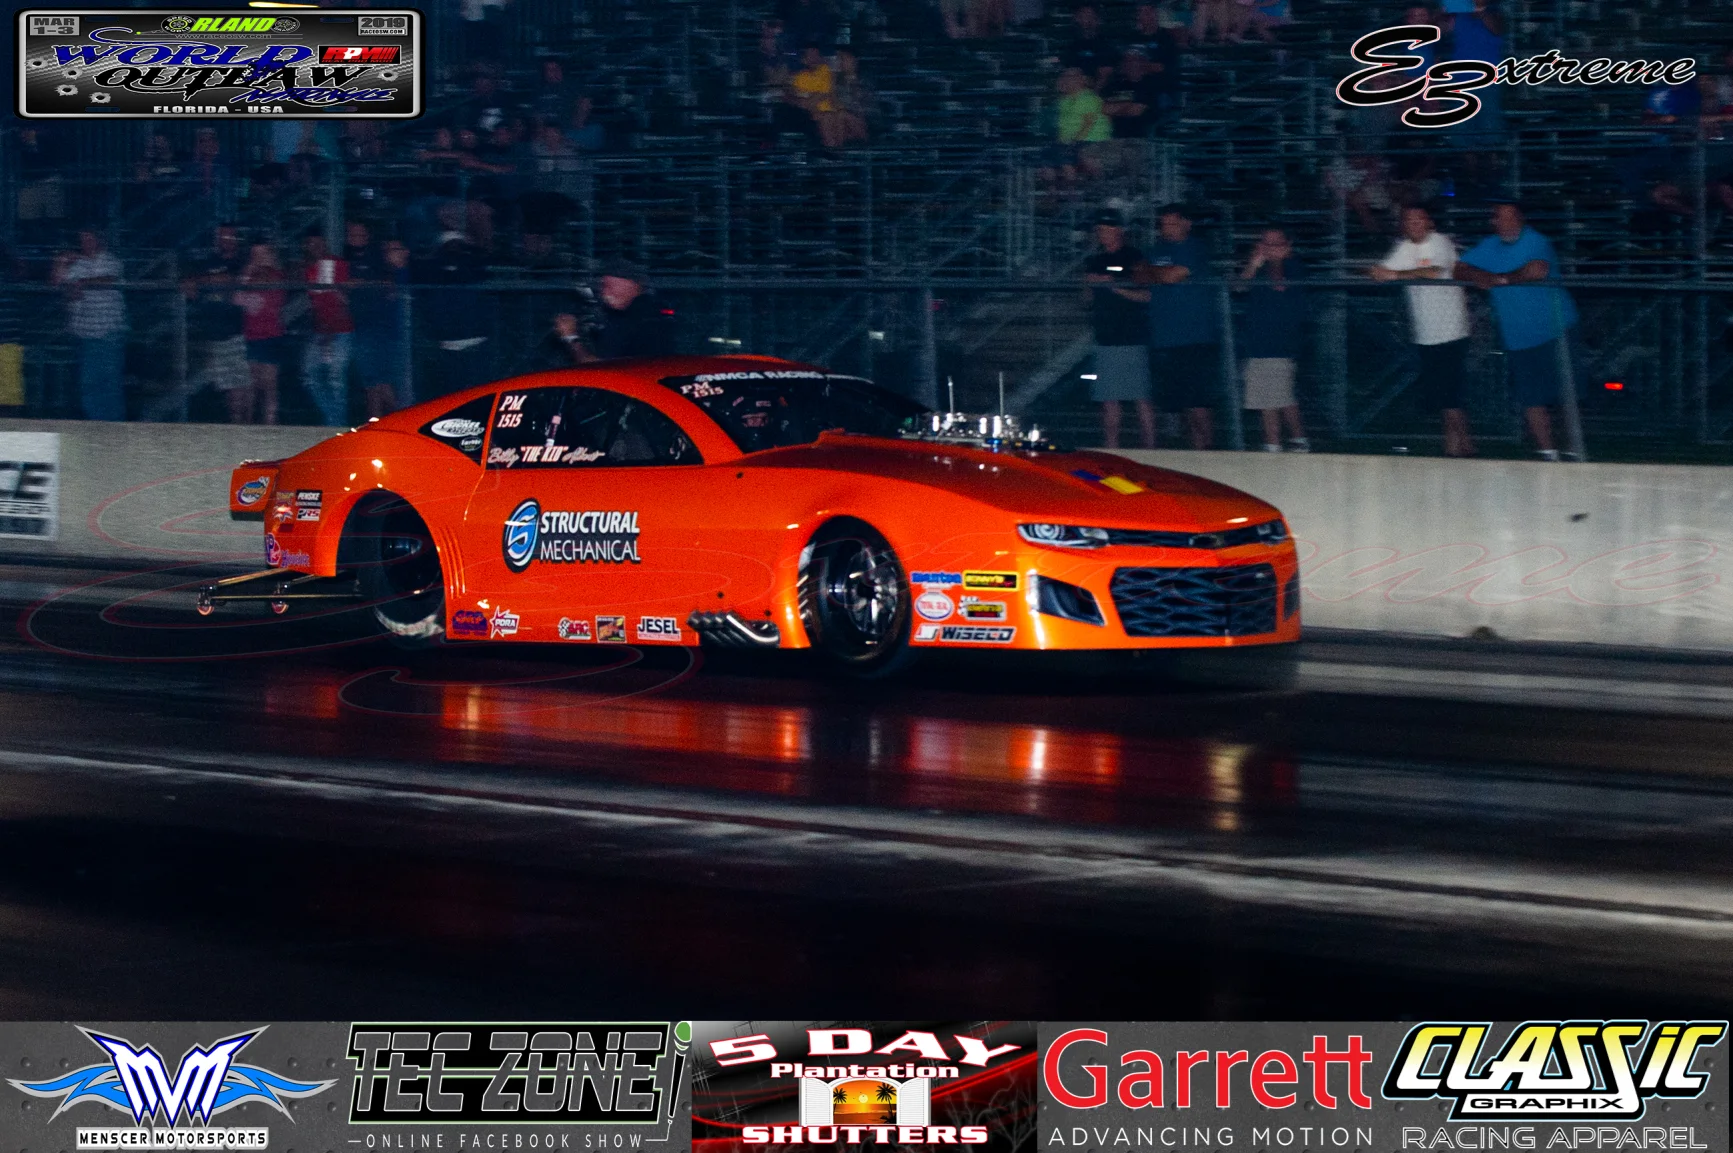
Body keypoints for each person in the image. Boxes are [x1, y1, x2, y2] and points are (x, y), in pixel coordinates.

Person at [1453, 201, 1579, 460]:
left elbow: (1537, 270)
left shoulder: (1536, 240)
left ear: (1520, 219)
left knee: (1566, 393)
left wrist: (1501, 279)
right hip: (1518, 336)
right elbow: (1459, 268)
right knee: (1531, 397)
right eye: (1499, 217)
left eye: (1509, 217)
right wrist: (1478, 275)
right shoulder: (1490, 245)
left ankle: (1572, 448)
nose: (1503, 222)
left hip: (1555, 329)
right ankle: (1547, 453)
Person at [1371, 205, 1476, 457]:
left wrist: (1394, 274)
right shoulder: (1405, 248)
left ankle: (1466, 446)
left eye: (1419, 219)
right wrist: (1379, 272)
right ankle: (1453, 447)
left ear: (1429, 222)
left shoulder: (1440, 242)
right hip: (1426, 333)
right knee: (1444, 394)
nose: (1414, 223)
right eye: (1409, 220)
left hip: (1451, 330)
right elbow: (1381, 271)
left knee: (1450, 393)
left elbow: (1434, 271)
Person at [1137, 205, 1218, 449]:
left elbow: (1171, 276)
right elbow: (1138, 275)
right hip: (1165, 337)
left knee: (1198, 402)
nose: (1167, 229)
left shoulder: (1195, 248)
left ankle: (1209, 452)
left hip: (1194, 336)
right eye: (1163, 224)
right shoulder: (1156, 250)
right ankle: (1194, 453)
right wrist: (1157, 273)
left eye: (1172, 223)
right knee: (1181, 403)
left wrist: (1153, 272)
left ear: (1186, 224)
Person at [1084, 209, 1153, 449]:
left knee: (1141, 397)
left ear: (1119, 230)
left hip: (1132, 336)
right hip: (1105, 337)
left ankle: (1152, 450)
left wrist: (1114, 286)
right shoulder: (1095, 261)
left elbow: (1146, 295)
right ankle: (1111, 448)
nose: (1103, 234)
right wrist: (1088, 285)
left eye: (1107, 229)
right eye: (1099, 230)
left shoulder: (1135, 257)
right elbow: (1086, 300)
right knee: (1108, 399)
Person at [1236, 229, 1308, 452]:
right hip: (1257, 341)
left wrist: (1275, 260)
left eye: (1275, 243)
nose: (1269, 247)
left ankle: (1275, 444)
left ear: (1287, 245)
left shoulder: (1293, 266)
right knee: (1275, 396)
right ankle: (1296, 441)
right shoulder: (1260, 267)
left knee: (1275, 397)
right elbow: (1238, 287)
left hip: (1282, 342)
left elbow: (1279, 286)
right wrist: (1253, 264)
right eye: (1265, 242)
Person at [50, 231, 127, 421]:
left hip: (107, 332)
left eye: (90, 238)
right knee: (88, 385)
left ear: (100, 239)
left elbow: (109, 278)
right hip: (85, 333)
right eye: (83, 238)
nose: (86, 242)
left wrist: (82, 283)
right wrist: (60, 262)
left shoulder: (110, 260)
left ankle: (113, 429)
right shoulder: (78, 264)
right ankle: (96, 427)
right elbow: (57, 283)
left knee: (109, 385)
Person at [418, 215, 495, 398]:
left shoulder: (473, 265)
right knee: (453, 397)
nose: (453, 250)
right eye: (449, 245)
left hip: (476, 343)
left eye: (457, 245)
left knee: (478, 396)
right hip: (449, 346)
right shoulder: (434, 269)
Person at [348, 228, 412, 417]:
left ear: (405, 251)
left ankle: (402, 421)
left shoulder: (406, 274)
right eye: (387, 250)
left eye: (394, 249)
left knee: (388, 386)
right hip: (371, 332)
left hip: (395, 338)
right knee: (373, 385)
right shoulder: (378, 271)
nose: (389, 254)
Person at [300, 232, 354, 427]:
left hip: (340, 330)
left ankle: (337, 424)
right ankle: (333, 419)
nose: (314, 247)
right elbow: (316, 303)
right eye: (310, 244)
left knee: (335, 378)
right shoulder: (309, 269)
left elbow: (342, 301)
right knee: (309, 375)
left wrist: (330, 330)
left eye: (317, 243)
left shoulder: (336, 264)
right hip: (321, 330)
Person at [185, 265, 250, 423]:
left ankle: (245, 422)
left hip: (236, 340)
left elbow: (235, 278)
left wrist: (218, 279)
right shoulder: (203, 289)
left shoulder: (233, 279)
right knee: (227, 387)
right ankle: (235, 422)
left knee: (240, 387)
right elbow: (187, 281)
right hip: (215, 342)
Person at [236, 243, 288, 425]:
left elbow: (267, 301)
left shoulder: (277, 276)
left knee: (269, 385)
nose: (258, 258)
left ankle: (270, 424)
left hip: (270, 336)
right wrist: (246, 275)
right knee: (250, 385)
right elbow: (238, 300)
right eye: (255, 254)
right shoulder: (248, 276)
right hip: (251, 336)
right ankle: (248, 423)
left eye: (262, 254)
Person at [589, 263, 675, 359]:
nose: (605, 293)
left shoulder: (629, 319)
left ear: (633, 285)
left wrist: (575, 339)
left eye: (611, 286)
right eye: (603, 287)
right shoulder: (655, 310)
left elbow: (600, 364)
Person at [1062, 4, 1118, 89]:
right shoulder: (1071, 45)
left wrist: (1091, 94)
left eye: (1089, 15)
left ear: (1098, 19)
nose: (1085, 19)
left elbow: (1105, 75)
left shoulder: (1106, 45)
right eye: (1081, 15)